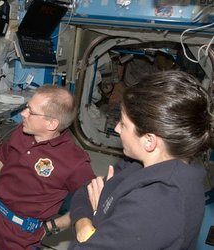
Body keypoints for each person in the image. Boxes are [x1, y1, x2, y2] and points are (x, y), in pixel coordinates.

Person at [68, 70, 213, 250]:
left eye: (123, 123)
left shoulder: (158, 206)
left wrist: (98, 217)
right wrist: (85, 225)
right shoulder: (140, 164)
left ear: (149, 140)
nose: (117, 128)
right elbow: (85, 191)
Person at [0, 85, 96, 249]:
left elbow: (92, 202)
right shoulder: (21, 133)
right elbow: (0, 163)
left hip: (20, 242)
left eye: (31, 111)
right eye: (26, 107)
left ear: (51, 123)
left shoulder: (74, 161)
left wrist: (52, 227)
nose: (23, 114)